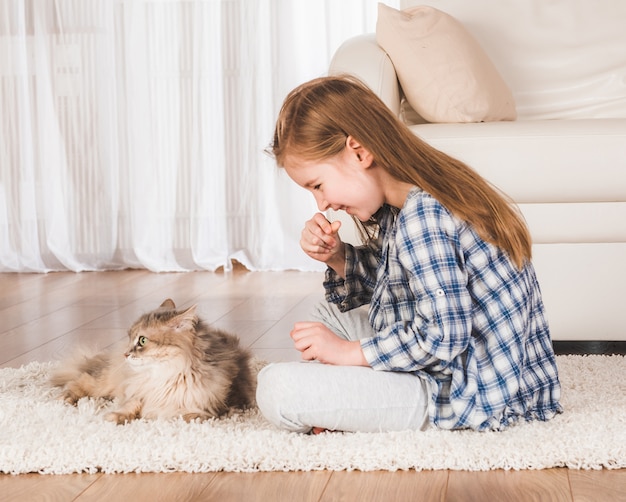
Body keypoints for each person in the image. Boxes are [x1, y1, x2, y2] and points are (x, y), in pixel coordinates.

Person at [256, 75, 562, 434]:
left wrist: (347, 353)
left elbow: (444, 336)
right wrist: (337, 257)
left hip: (469, 394)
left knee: (277, 388)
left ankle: (353, 403)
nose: (323, 203)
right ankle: (352, 399)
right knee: (324, 318)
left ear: (359, 151)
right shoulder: (410, 200)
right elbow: (401, 287)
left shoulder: (423, 215)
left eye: (318, 186)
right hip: (468, 369)